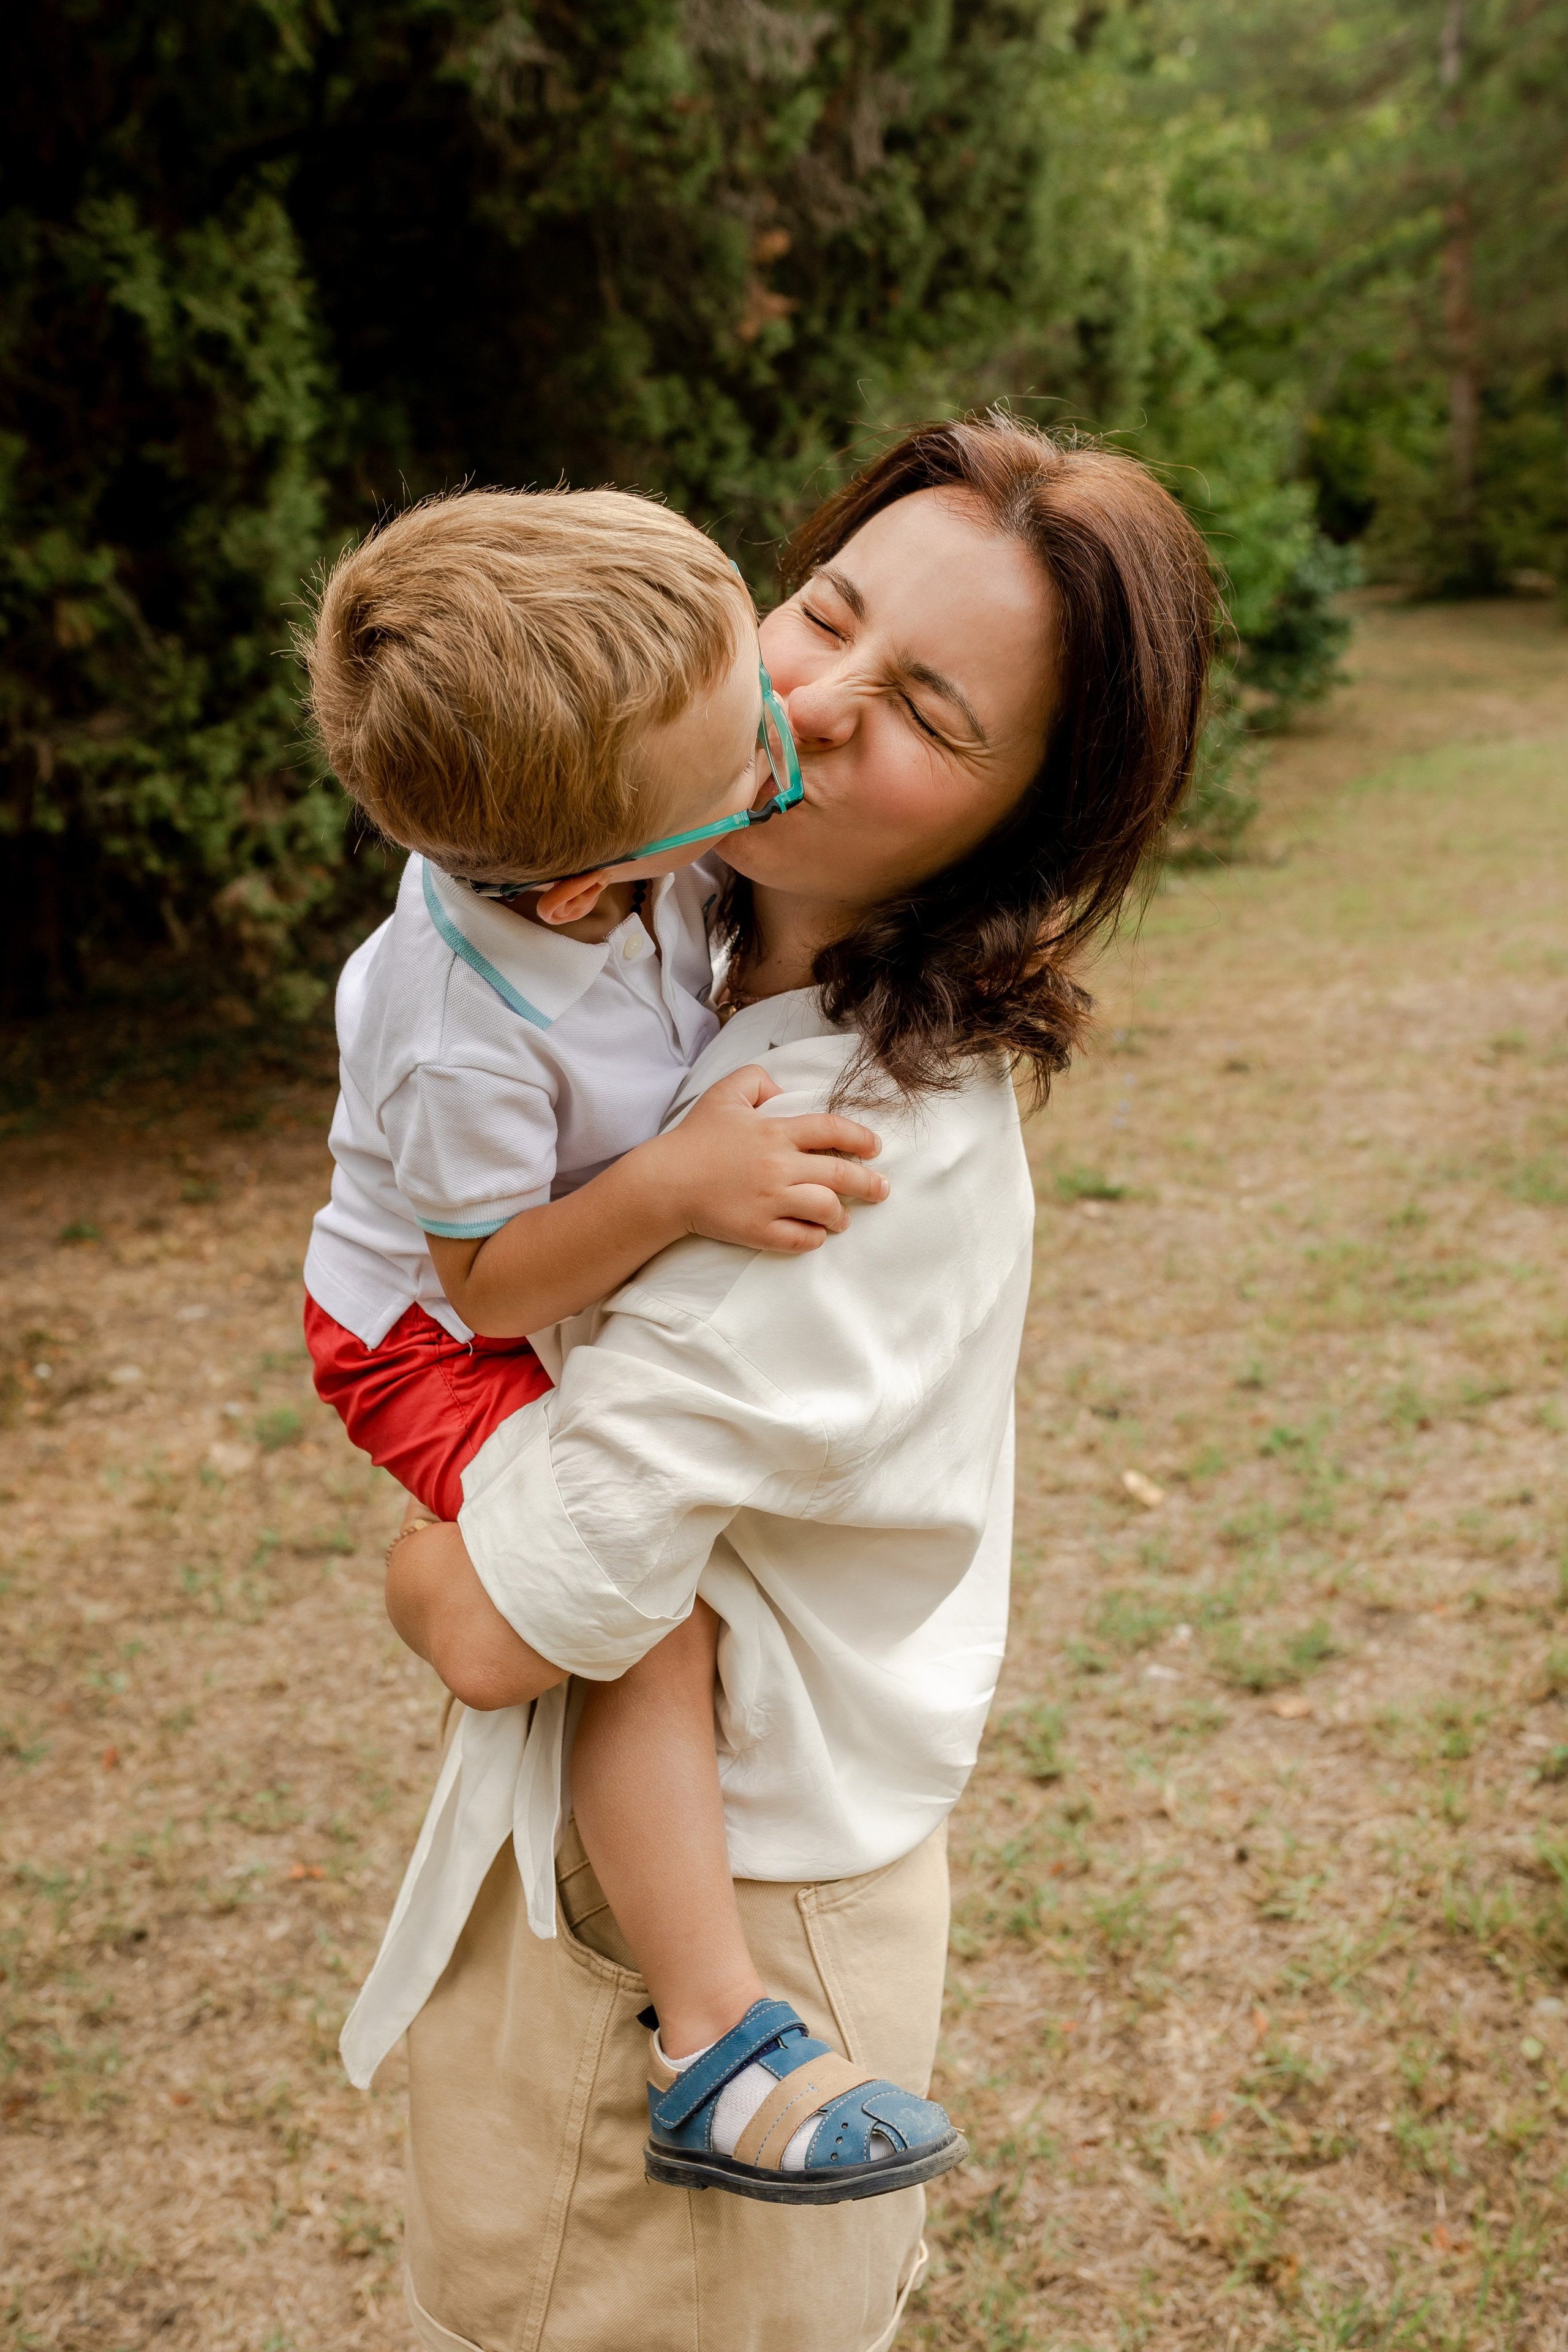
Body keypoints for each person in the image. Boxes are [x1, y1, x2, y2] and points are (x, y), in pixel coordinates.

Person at [347, 413, 1217, 2352]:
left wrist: (417, 1559)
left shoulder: (847, 1147)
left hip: (728, 1925)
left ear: (1028, 829)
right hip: (615, 1854)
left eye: (922, 706)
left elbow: (501, 1622)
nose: (810, 696)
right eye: (818, 610)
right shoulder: (664, 933)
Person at [297, 485, 951, 2198]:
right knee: (634, 1609)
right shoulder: (454, 1029)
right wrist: (673, 1182)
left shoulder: (616, 846)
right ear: (599, 883)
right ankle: (710, 2040)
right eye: (757, 761)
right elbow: (492, 1283)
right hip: (421, 1334)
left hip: (514, 1265)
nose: (788, 736)